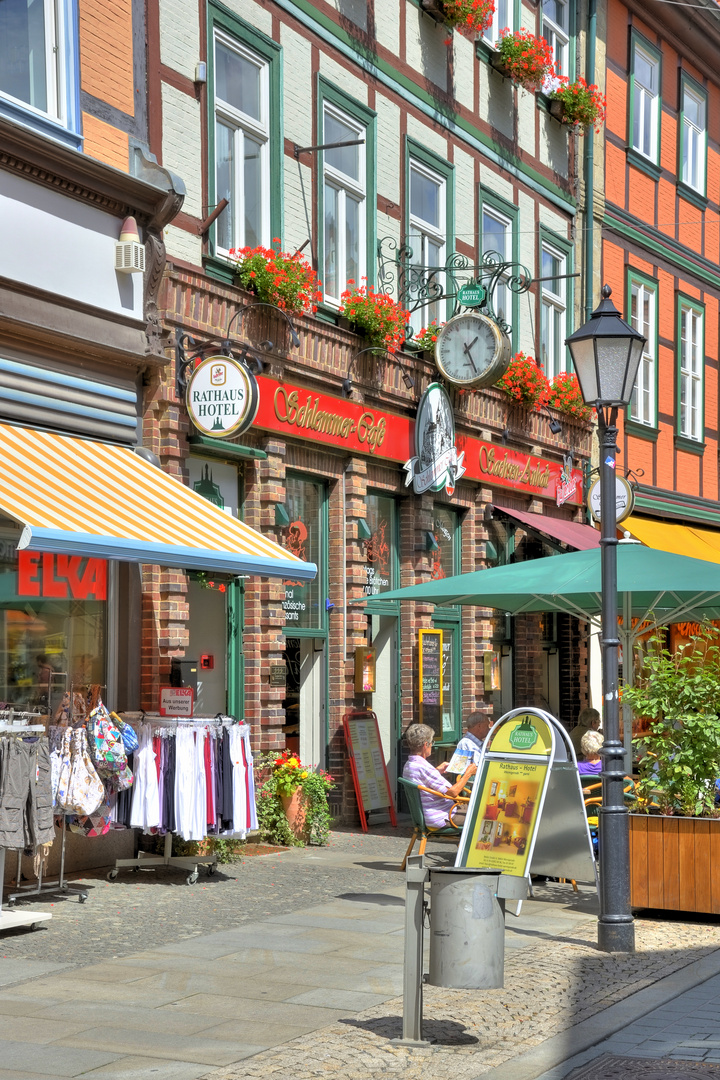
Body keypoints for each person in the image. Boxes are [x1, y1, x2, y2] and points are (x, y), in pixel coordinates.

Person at [403, 723, 476, 828]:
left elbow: (422, 779)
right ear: (425, 745)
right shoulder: (424, 767)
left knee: (473, 807)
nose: (432, 745)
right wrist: (468, 773)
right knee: (483, 813)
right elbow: (453, 792)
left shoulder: (409, 764)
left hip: (428, 814)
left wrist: (436, 770)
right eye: (432, 742)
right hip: (443, 816)